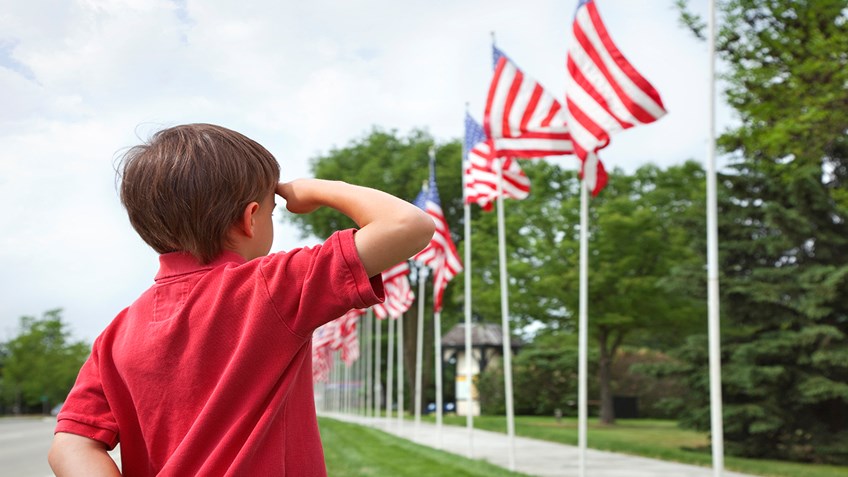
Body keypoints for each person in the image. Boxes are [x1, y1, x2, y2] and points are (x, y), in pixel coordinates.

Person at [47, 123, 435, 477]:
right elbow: (408, 225)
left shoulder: (116, 334)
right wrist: (316, 189)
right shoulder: (271, 286)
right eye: (272, 209)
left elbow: (71, 443)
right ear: (250, 218)